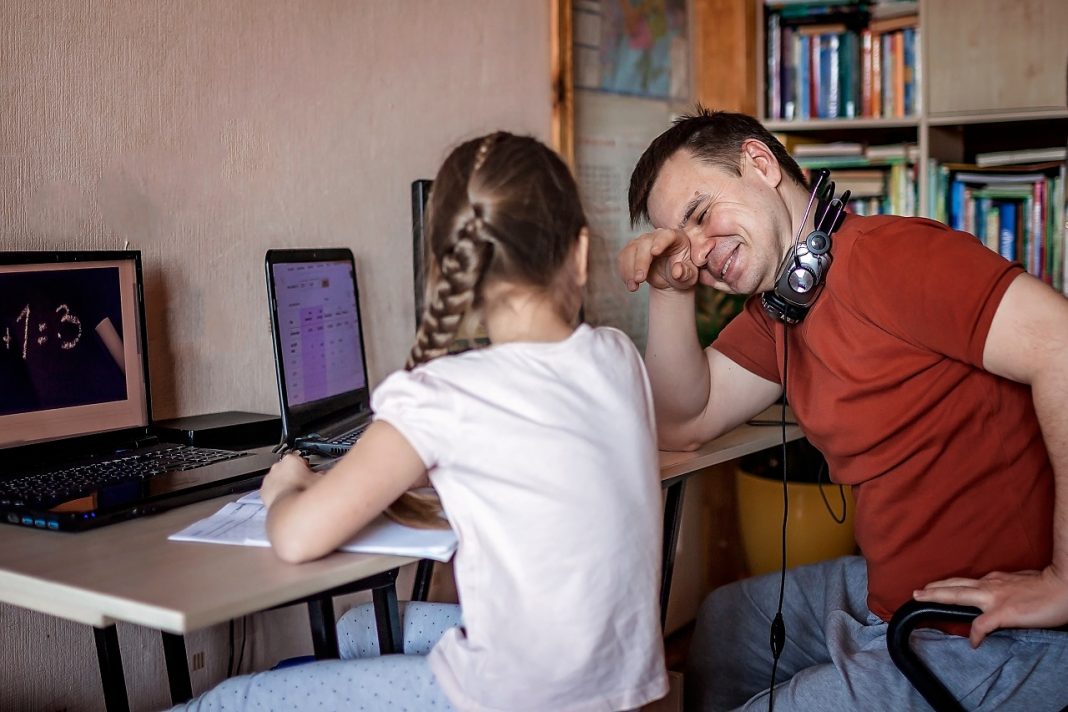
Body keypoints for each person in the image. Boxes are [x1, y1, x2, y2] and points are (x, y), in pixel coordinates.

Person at [175, 132, 668, 712]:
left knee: (226, 701)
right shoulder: (618, 357)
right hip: (620, 691)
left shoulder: (447, 397)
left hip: (513, 699)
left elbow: (298, 538)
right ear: (579, 254)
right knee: (359, 628)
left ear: (450, 269)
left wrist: (287, 486)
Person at [618, 107, 1068, 711]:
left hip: (991, 631)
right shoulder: (785, 306)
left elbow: (1059, 344)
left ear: (759, 163)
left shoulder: (893, 258)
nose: (697, 252)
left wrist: (1064, 581)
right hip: (900, 598)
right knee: (728, 621)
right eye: (681, 238)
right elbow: (681, 420)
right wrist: (670, 291)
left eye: (699, 214)